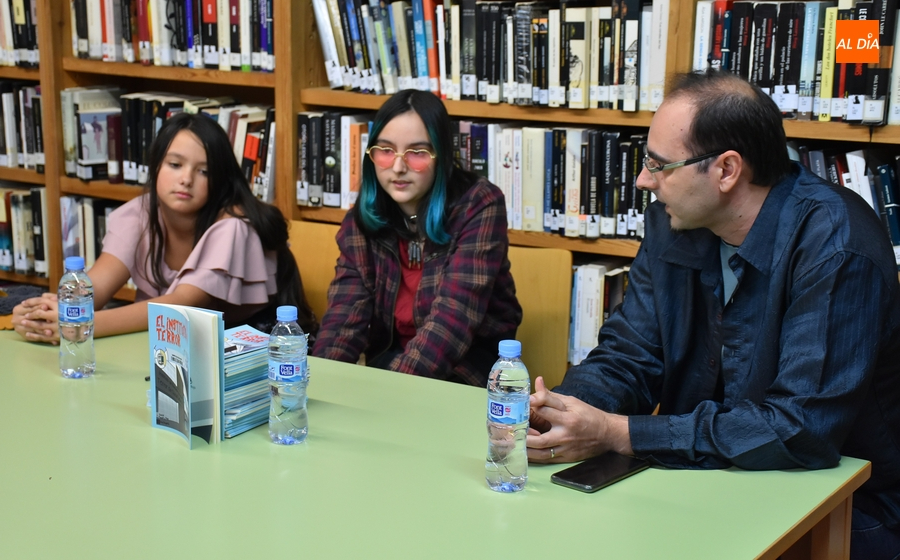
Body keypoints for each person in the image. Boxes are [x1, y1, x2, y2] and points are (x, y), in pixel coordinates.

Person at [526, 70, 900, 560]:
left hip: (840, 508)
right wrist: (563, 414)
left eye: (659, 166)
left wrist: (620, 432)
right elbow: (628, 355)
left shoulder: (835, 245)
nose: (643, 181)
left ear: (726, 170)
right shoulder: (674, 220)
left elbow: (798, 428)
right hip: (703, 482)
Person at [13, 112, 316, 343]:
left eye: (204, 171)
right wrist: (41, 312)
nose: (186, 179)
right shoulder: (140, 213)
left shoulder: (233, 227)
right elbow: (95, 287)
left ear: (221, 179)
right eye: (175, 165)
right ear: (156, 166)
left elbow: (181, 304)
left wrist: (79, 325)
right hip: (173, 344)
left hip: (250, 350)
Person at [312, 89, 522, 386]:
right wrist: (319, 384)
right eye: (385, 151)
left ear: (441, 156)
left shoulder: (479, 204)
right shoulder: (362, 219)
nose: (398, 167)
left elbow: (453, 322)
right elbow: (343, 320)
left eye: (417, 153)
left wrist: (391, 391)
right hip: (391, 359)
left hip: (468, 368)